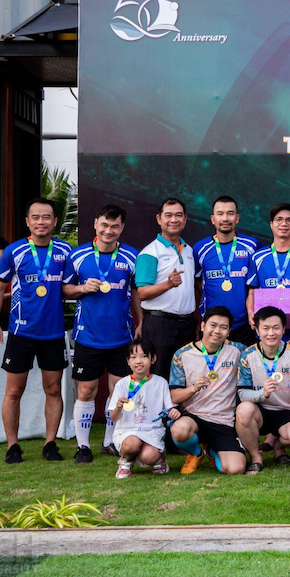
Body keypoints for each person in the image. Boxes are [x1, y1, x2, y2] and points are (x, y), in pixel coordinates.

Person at [0, 199, 71, 464]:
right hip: (21, 332)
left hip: (53, 333)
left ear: (55, 221)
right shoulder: (15, 251)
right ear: (27, 222)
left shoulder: (64, 251)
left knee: (53, 389)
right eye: (35, 217)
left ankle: (50, 443)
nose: (41, 222)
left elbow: (69, 287)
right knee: (14, 391)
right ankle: (12, 445)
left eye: (46, 217)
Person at [62, 204, 140, 463]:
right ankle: (83, 446)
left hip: (121, 337)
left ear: (122, 228)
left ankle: (110, 441)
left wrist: (139, 322)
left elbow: (136, 292)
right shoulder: (78, 255)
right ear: (96, 224)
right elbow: (64, 289)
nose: (109, 230)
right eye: (104, 225)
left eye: (115, 226)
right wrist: (82, 288)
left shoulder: (131, 256)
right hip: (88, 336)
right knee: (86, 391)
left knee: (118, 393)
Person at [168, 307, 249, 475]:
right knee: (179, 430)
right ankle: (195, 453)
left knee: (235, 469)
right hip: (194, 417)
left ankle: (212, 450)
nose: (217, 331)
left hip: (224, 420)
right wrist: (193, 389)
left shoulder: (238, 350)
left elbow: (264, 350)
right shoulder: (182, 354)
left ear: (229, 331)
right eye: (213, 325)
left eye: (223, 327)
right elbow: (175, 396)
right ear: (203, 326)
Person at [236, 306, 290, 474]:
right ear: (257, 330)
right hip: (259, 410)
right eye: (265, 328)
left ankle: (278, 446)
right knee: (243, 409)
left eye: (276, 328)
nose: (271, 333)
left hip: (285, 410)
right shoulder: (247, 355)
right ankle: (256, 458)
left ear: (283, 329)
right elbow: (242, 393)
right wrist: (263, 393)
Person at [135, 198, 197, 379]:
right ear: (159, 219)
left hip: (187, 325)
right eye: (168, 215)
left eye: (179, 215)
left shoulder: (189, 250)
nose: (174, 220)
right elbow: (142, 293)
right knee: (159, 377)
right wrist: (168, 284)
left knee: (185, 377)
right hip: (160, 325)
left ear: (185, 219)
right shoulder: (150, 252)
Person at [246, 203, 290, 344]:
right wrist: (250, 312)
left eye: (289, 220)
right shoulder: (257, 257)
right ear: (271, 224)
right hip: (268, 331)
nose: (284, 223)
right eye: (279, 219)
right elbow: (252, 291)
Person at [193, 196, 260, 346]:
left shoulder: (252, 245)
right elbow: (197, 281)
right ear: (212, 219)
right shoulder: (200, 248)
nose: (225, 218)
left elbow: (274, 256)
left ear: (237, 218)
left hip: (246, 325)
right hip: (213, 326)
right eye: (220, 214)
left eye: (230, 213)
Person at [106, 338, 173, 479]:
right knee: (131, 445)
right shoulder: (122, 384)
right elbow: (114, 417)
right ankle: (126, 460)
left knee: (149, 456)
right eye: (134, 357)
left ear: (153, 359)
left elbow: (169, 409)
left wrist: (173, 412)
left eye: (144, 356)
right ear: (128, 361)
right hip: (127, 431)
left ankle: (158, 458)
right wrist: (118, 407)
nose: (139, 361)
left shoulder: (161, 383)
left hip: (151, 431)